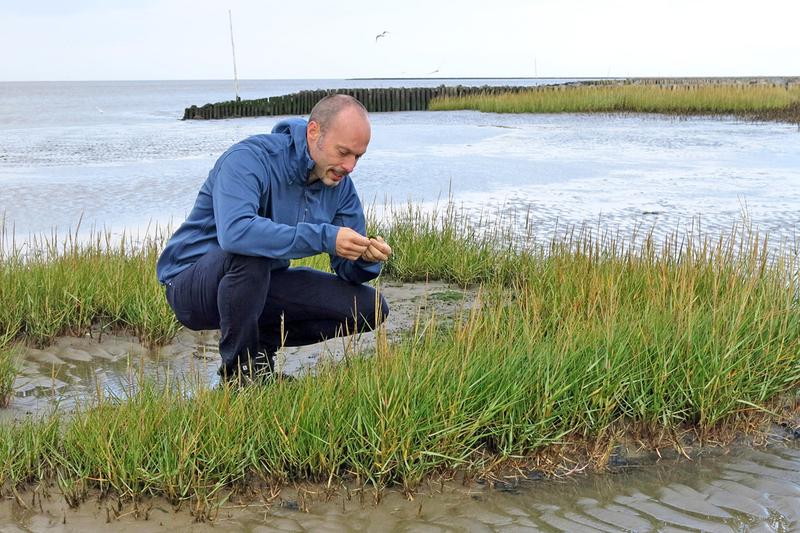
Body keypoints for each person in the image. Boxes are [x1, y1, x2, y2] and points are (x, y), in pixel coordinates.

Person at [156, 94, 391, 383]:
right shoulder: (249, 159)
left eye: (358, 156)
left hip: (260, 283)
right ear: (314, 132)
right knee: (251, 252)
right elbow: (236, 234)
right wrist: (325, 237)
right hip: (191, 285)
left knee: (371, 308)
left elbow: (347, 272)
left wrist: (364, 258)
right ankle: (240, 374)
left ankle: (261, 355)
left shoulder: (340, 186)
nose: (350, 166)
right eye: (343, 152)